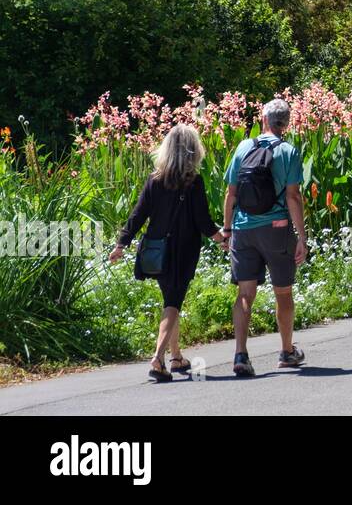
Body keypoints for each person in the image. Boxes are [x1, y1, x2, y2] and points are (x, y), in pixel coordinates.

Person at [110, 124, 226, 383]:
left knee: (170, 300)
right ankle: (158, 358)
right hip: (182, 250)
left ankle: (176, 357)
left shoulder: (155, 179)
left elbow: (138, 214)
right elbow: (203, 221)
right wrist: (222, 240)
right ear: (192, 150)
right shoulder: (193, 182)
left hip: (156, 250)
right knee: (173, 302)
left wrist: (121, 244)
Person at [223, 99, 308, 377]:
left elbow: (231, 193)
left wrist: (227, 230)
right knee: (283, 292)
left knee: (245, 293)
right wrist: (301, 236)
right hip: (276, 228)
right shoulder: (288, 151)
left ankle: (240, 355)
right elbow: (293, 196)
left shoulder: (243, 147)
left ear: (263, 120)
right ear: (286, 123)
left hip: (243, 229)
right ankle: (286, 352)